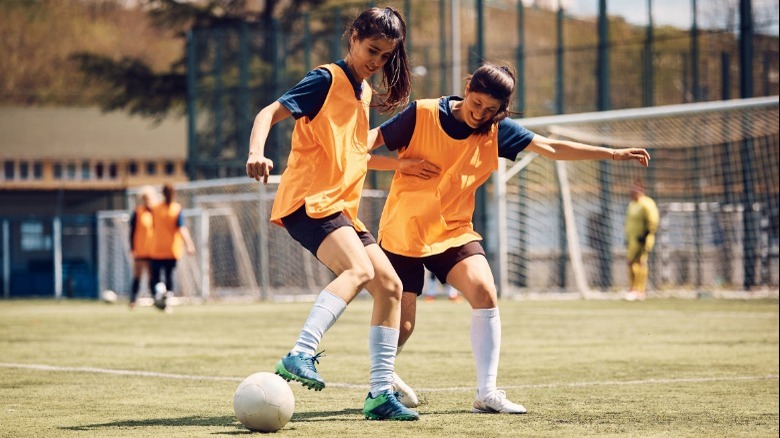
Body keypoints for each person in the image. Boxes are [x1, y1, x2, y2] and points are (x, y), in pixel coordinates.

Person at [367, 63, 651, 414]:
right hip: (404, 229)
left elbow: (551, 147)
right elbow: (360, 151)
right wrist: (401, 166)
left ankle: (486, 393)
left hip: (453, 229)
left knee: (485, 292)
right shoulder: (421, 113)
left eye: (491, 110)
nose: (481, 114)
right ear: (468, 88)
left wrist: (611, 153)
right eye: (477, 104)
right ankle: (381, 381)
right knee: (404, 325)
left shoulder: (496, 129)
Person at [244, 7, 418, 421]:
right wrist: (256, 152)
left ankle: (379, 394)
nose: (376, 62)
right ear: (353, 37)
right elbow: (267, 113)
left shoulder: (364, 93)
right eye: (372, 50)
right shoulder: (326, 79)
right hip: (309, 201)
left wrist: (400, 166)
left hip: (340, 209)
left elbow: (355, 156)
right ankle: (300, 353)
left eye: (385, 56)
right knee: (358, 272)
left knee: (390, 287)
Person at [150, 183, 195, 312]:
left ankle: (160, 293)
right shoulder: (176, 209)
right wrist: (189, 244)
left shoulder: (156, 208)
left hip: (157, 248)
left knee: (157, 277)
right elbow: (182, 228)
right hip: (172, 249)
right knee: (169, 275)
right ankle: (166, 300)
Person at [624, 179, 659, 301]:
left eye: (635, 189)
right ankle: (633, 288)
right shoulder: (632, 204)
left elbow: (653, 221)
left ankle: (639, 290)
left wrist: (645, 235)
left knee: (640, 262)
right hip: (632, 239)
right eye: (631, 189)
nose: (632, 192)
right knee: (631, 262)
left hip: (642, 239)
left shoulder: (647, 203)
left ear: (641, 190)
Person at [128, 185, 157, 309]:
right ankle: (133, 300)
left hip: (153, 250)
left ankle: (156, 299)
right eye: (145, 199)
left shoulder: (156, 212)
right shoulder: (138, 212)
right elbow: (132, 231)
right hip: (140, 250)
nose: (147, 201)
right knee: (137, 275)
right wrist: (132, 248)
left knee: (153, 276)